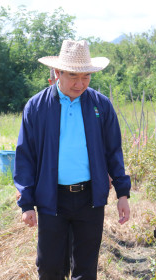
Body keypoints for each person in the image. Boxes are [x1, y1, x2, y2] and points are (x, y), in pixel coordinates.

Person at [14, 39, 131, 280]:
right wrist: (26, 203)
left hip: (90, 198)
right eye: (73, 76)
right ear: (57, 73)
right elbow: (25, 156)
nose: (80, 84)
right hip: (52, 198)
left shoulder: (101, 106)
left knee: (86, 270)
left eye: (86, 77)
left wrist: (123, 194)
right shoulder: (37, 107)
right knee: (49, 267)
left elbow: (113, 152)